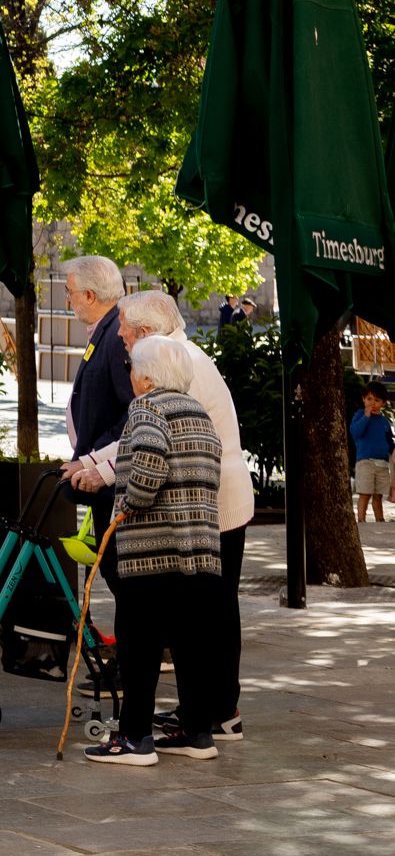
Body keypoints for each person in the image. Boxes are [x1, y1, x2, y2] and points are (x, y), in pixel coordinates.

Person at [61, 289, 253, 741]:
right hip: (209, 503)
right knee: (207, 614)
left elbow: (147, 439)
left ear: (146, 332)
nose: (120, 335)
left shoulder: (174, 361)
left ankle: (213, 711)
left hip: (206, 506)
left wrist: (104, 477)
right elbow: (141, 434)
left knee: (207, 615)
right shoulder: (178, 355)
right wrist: (92, 464)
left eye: (125, 328)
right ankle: (204, 713)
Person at [83, 333, 226, 766]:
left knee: (139, 645)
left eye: (131, 367)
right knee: (191, 645)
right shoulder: (199, 412)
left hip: (153, 550)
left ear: (145, 376)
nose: (130, 375)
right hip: (200, 550)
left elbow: (147, 460)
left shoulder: (147, 408)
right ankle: (198, 733)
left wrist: (128, 503)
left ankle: (134, 739)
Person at [62, 254, 132, 531]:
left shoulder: (117, 334)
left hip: (109, 481)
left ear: (90, 295)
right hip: (99, 473)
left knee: (113, 569)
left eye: (70, 292)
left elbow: (135, 411)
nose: (68, 300)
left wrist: (95, 455)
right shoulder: (107, 328)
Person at [354, 387, 391, 523]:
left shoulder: (384, 421)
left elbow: (389, 440)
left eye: (377, 400)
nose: (372, 403)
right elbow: (355, 432)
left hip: (382, 463)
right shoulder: (360, 415)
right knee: (365, 493)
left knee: (378, 495)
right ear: (363, 399)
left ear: (383, 403)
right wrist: (366, 416)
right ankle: (361, 519)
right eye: (369, 399)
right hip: (365, 461)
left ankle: (379, 519)